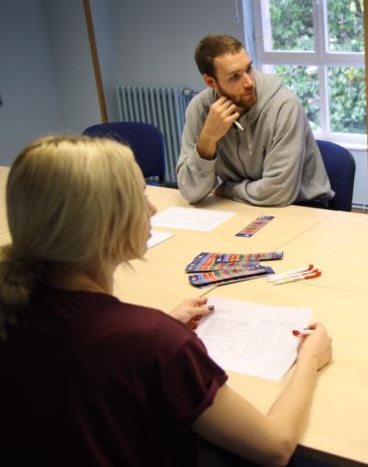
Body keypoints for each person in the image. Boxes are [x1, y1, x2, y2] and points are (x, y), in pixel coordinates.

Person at [0, 136, 333, 465]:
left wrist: (164, 327)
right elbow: (275, 447)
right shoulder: (157, 343)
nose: (153, 208)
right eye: (141, 196)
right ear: (106, 223)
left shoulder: (15, 308)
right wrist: (309, 359)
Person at [177, 34, 333, 207]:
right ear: (210, 81)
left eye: (249, 68)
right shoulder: (199, 109)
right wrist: (208, 139)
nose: (249, 82)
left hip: (300, 206)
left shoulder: (284, 105)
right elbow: (191, 192)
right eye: (235, 77)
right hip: (244, 205)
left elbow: (279, 193)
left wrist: (228, 190)